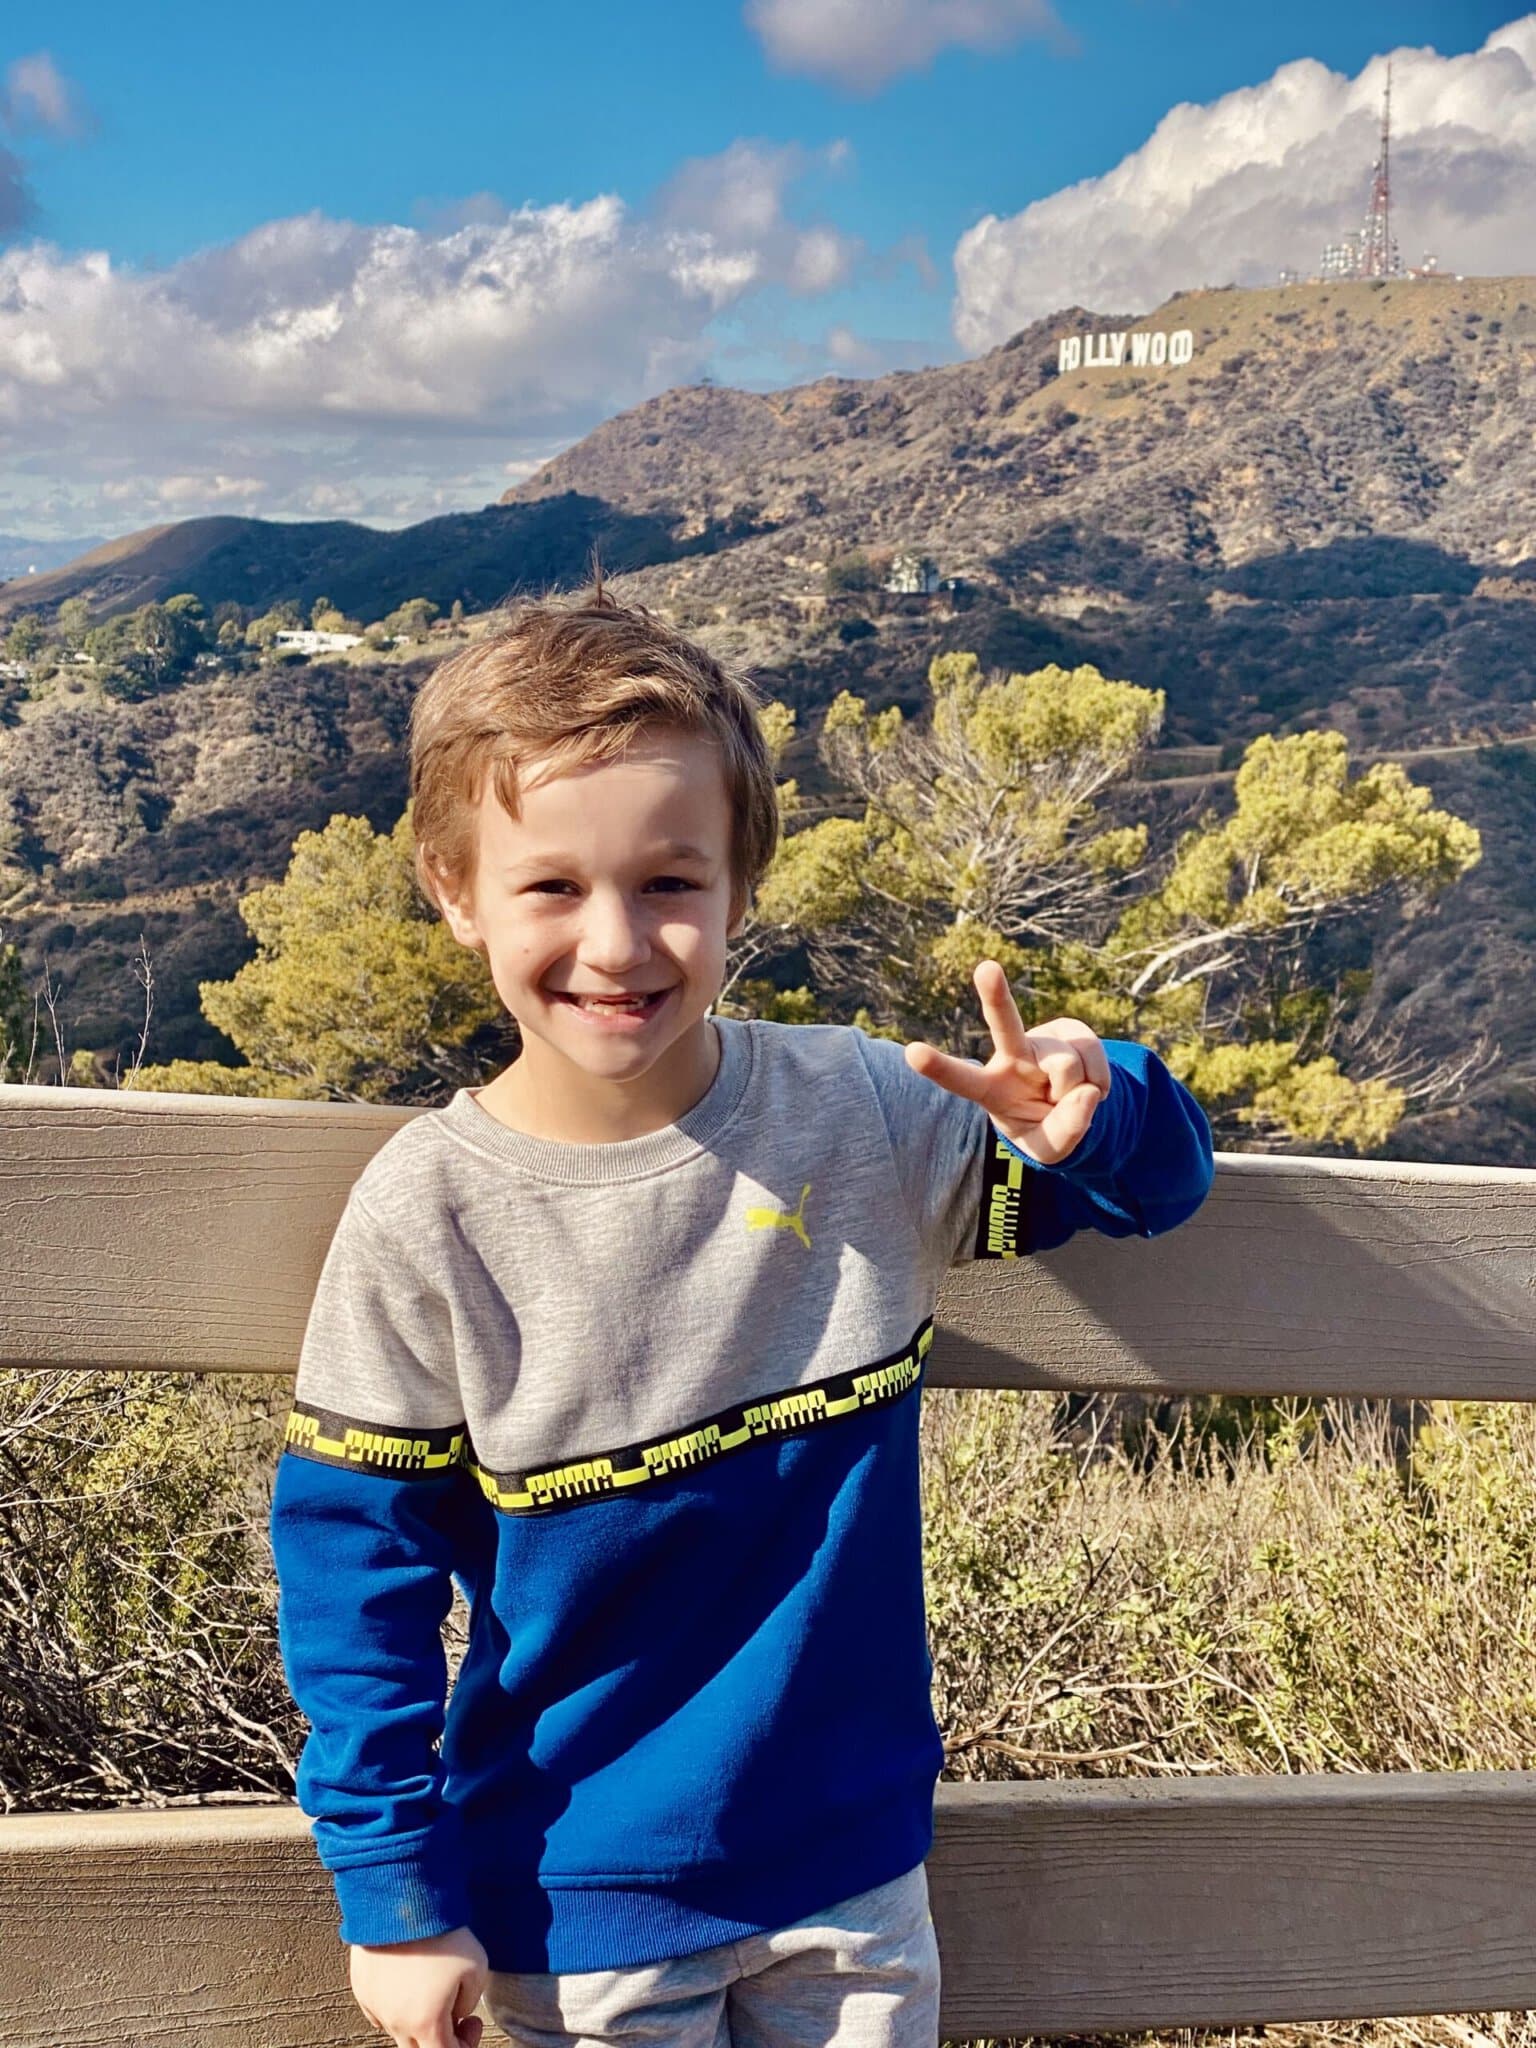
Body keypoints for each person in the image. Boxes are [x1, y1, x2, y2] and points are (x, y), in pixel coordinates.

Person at [269, 586, 1215, 2048]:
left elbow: (1148, 1194)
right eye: (550, 888)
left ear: (740, 890)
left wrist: (1101, 1105)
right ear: (453, 891)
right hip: (569, 1912)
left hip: (855, 1881)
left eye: (669, 882)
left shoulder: (862, 1117)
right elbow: (354, 1580)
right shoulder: (431, 1213)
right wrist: (394, 1896)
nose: (617, 940)